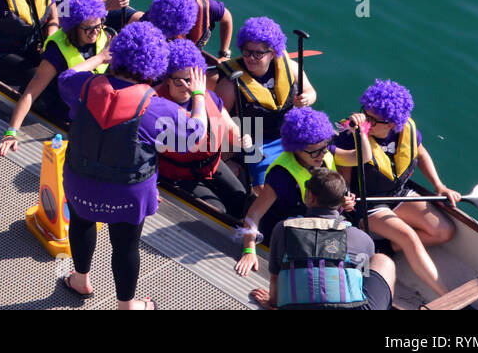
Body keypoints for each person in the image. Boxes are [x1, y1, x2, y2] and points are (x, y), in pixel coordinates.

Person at [56, 22, 207, 309]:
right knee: (125, 246)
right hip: (128, 195)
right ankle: (126, 305)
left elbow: (66, 75)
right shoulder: (158, 108)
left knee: (81, 223)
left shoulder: (84, 87)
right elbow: (195, 135)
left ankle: (80, 279)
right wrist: (198, 95)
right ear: (157, 65)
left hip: (80, 183)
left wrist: (99, 58)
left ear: (119, 53)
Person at [334, 79, 458, 298]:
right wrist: (345, 197)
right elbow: (343, 178)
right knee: (410, 237)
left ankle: (393, 246)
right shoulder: (349, 137)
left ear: (391, 123)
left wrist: (439, 186)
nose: (366, 121)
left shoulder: (406, 131)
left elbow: (420, 154)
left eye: (373, 120)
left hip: (397, 194)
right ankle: (447, 296)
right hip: (367, 205)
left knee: (444, 232)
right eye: (365, 113)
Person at [234, 107, 366, 277]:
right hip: (288, 232)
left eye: (324, 148)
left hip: (315, 227)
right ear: (296, 148)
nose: (321, 155)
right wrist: (249, 250)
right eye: (314, 152)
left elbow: (361, 158)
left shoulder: (324, 151)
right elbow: (254, 215)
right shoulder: (281, 176)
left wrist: (361, 133)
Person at [254, 168, 397, 310]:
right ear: (342, 201)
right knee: (383, 261)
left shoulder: (283, 228)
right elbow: (361, 283)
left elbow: (275, 277)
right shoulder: (362, 239)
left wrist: (272, 303)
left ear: (310, 197)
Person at [0, 0, 111, 154]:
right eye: (89, 29)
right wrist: (11, 132)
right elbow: (30, 93)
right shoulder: (57, 52)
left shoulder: (101, 36)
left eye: (99, 26)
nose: (96, 32)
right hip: (57, 108)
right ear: (74, 27)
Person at [208, 15, 316, 186]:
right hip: (254, 142)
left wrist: (307, 98)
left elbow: (310, 91)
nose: (251, 57)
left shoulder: (292, 68)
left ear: (272, 53)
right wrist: (227, 158)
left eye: (258, 53)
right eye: (247, 51)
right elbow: (215, 121)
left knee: (317, 163)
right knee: (267, 184)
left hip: (287, 134)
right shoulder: (230, 84)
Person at [154, 39, 247, 218]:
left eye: (191, 80)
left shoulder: (208, 97)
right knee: (217, 211)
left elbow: (228, 126)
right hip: (179, 173)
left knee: (240, 197)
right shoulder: (158, 107)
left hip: (209, 163)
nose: (187, 87)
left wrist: (240, 138)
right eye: (178, 81)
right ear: (167, 80)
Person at [143, 0, 234, 60]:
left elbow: (227, 19)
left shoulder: (208, 8)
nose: (170, 37)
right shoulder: (152, 18)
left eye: (173, 33)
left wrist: (224, 53)